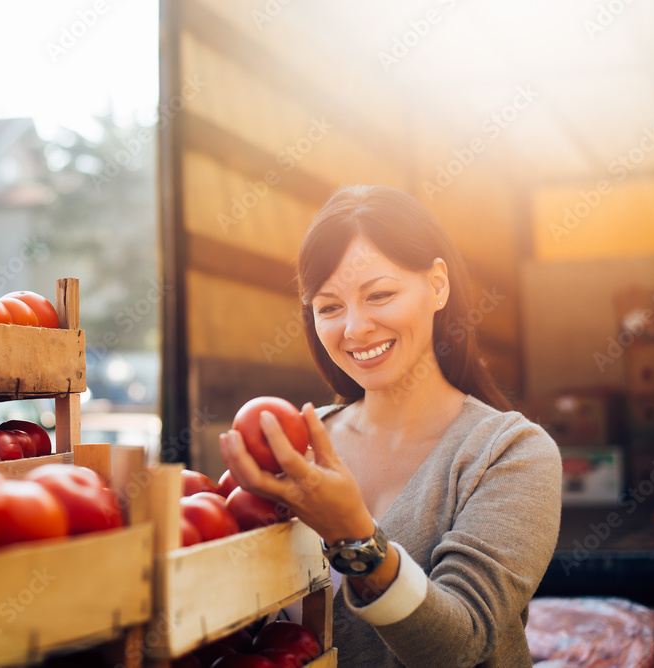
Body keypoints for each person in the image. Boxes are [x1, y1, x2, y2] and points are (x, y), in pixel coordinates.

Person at [219, 185, 562, 667]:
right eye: (330, 307)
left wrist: (352, 536)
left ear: (438, 285)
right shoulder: (291, 447)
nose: (355, 328)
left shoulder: (510, 453)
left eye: (379, 294)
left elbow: (460, 645)